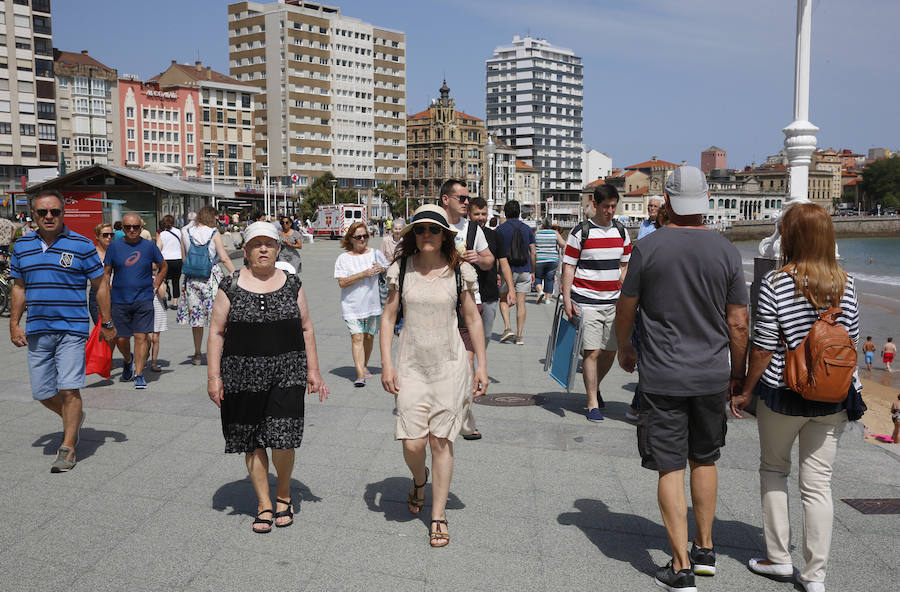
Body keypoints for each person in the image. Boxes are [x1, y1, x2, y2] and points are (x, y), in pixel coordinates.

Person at [616, 165, 749, 591]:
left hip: (663, 376)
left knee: (670, 467)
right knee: (706, 459)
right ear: (706, 200)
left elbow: (627, 305)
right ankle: (706, 548)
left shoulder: (648, 248)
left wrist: (624, 346)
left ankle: (681, 566)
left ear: (668, 201)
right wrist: (738, 374)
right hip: (712, 374)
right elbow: (740, 323)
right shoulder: (726, 250)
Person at [732, 202, 863, 592]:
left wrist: (745, 390)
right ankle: (815, 576)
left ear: (790, 236)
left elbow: (764, 347)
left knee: (774, 468)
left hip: (784, 393)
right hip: (833, 397)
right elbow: (851, 342)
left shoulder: (776, 282)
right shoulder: (847, 283)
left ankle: (778, 558)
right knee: (818, 484)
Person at [207, 222, 329, 534]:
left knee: (284, 439)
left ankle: (284, 494)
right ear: (245, 250)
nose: (263, 249)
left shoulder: (292, 283)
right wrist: (214, 377)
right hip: (240, 376)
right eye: (256, 244)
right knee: (252, 440)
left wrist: (313, 371)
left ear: (278, 249)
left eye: (269, 244)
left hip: (288, 372)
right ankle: (263, 503)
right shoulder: (230, 285)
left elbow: (306, 327)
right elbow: (217, 333)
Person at [379, 204, 487, 547]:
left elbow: (472, 319)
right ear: (413, 234)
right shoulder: (401, 268)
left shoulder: (460, 272)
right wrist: (386, 363)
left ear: (445, 236)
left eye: (434, 229)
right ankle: (419, 477)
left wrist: (481, 364)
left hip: (451, 365)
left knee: (441, 440)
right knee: (413, 442)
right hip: (411, 364)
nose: (427, 234)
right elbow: (387, 317)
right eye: (421, 229)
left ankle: (438, 514)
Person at [8, 190, 115, 472]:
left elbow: (100, 284)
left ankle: (67, 447)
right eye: (43, 212)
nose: (49, 217)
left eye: (54, 211)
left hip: (72, 329)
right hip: (37, 329)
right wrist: (13, 322)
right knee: (42, 391)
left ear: (63, 213)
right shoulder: (22, 247)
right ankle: (74, 417)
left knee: (69, 389)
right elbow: (18, 288)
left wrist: (105, 322)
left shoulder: (81, 245)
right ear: (33, 215)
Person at [561, 184, 631, 421]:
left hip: (613, 302)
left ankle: (595, 386)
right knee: (592, 352)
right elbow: (568, 266)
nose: (610, 211)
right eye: (605, 207)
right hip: (586, 301)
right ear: (594, 205)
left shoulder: (621, 232)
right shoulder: (581, 232)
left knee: (610, 352)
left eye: (613, 206)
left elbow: (624, 267)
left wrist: (629, 295)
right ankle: (592, 403)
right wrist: (567, 299)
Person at [440, 179, 494, 440]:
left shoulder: (473, 229)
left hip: (469, 301)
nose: (466, 203)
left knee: (467, 361)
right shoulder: (432, 226)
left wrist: (478, 258)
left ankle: (465, 415)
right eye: (461, 198)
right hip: (436, 303)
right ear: (445, 199)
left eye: (467, 198)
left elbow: (489, 259)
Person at [103, 213, 167, 390]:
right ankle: (127, 359)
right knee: (121, 339)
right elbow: (106, 272)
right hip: (119, 300)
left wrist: (156, 285)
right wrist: (105, 289)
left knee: (141, 336)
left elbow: (163, 266)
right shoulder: (114, 247)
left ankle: (138, 374)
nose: (132, 230)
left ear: (141, 228)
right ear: (122, 228)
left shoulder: (149, 246)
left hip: (143, 299)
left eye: (135, 227)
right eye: (128, 227)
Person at [177, 206, 236, 365]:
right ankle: (214, 352)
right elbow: (224, 258)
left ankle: (197, 353)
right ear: (211, 217)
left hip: (191, 279)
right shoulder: (214, 233)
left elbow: (184, 258)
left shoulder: (186, 233)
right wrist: (236, 275)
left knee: (197, 318)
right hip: (211, 278)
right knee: (216, 318)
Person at [333, 221, 388, 386]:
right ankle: (359, 375)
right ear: (351, 238)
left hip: (372, 305)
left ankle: (363, 365)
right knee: (357, 337)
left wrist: (382, 269)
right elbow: (342, 282)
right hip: (351, 305)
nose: (363, 239)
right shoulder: (343, 259)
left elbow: (388, 270)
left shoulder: (376, 254)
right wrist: (363, 274)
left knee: (369, 337)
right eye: (358, 237)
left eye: (365, 235)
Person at [468, 197, 515, 348]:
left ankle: (477, 366)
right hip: (467, 294)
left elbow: (504, 263)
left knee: (486, 335)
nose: (480, 218)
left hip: (489, 293)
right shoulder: (463, 235)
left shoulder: (495, 236)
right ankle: (471, 369)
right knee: (467, 336)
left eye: (483, 214)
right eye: (476, 214)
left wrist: (511, 289)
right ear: (469, 214)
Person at [495, 200, 536, 345]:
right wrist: (532, 271)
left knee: (504, 299)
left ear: (505, 213)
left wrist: (497, 272)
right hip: (524, 269)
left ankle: (507, 328)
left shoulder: (500, 230)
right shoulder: (527, 229)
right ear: (519, 212)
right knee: (521, 303)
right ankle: (519, 336)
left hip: (507, 271)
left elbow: (496, 254)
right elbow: (533, 252)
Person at [533, 217, 566, 304]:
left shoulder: (537, 233)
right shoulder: (555, 233)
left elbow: (532, 245)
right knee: (550, 278)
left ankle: (540, 291)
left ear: (542, 225)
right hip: (552, 259)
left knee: (537, 277)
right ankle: (547, 299)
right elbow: (563, 244)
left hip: (539, 259)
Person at [88, 222, 114, 325]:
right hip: (97, 293)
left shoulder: (115, 252)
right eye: (105, 235)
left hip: (115, 293)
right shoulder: (92, 253)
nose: (108, 237)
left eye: (111, 235)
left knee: (116, 331)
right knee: (101, 328)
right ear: (97, 236)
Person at [156, 215, 184, 311]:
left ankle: (164, 299)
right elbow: (182, 246)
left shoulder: (162, 234)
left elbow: (158, 248)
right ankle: (175, 303)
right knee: (176, 281)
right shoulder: (179, 232)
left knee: (163, 280)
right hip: (177, 259)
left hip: (165, 261)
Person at [149, 267, 168, 373]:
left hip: (158, 309)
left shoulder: (159, 279)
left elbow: (162, 294)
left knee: (155, 337)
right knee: (146, 337)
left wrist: (158, 279)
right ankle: (143, 358)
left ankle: (153, 362)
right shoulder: (142, 277)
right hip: (146, 309)